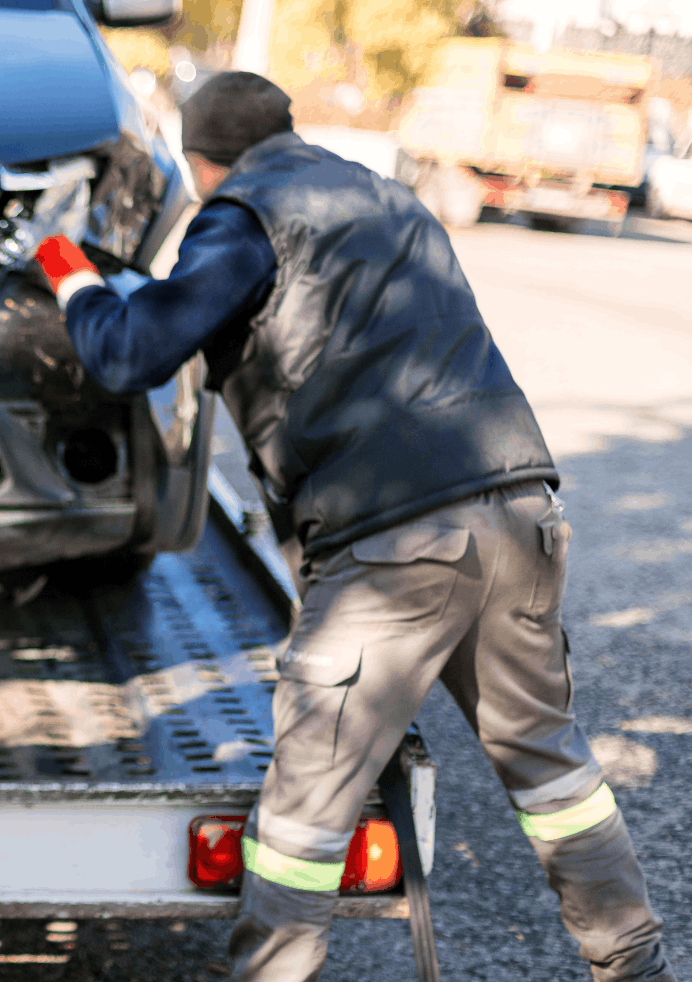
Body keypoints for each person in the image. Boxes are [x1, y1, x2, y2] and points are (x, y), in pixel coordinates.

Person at [34, 72, 671, 982]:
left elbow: (130, 351)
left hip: (393, 546)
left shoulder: (241, 212)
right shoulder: (387, 197)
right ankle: (636, 964)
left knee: (304, 815)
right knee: (554, 773)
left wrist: (70, 274)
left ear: (201, 162)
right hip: (520, 510)